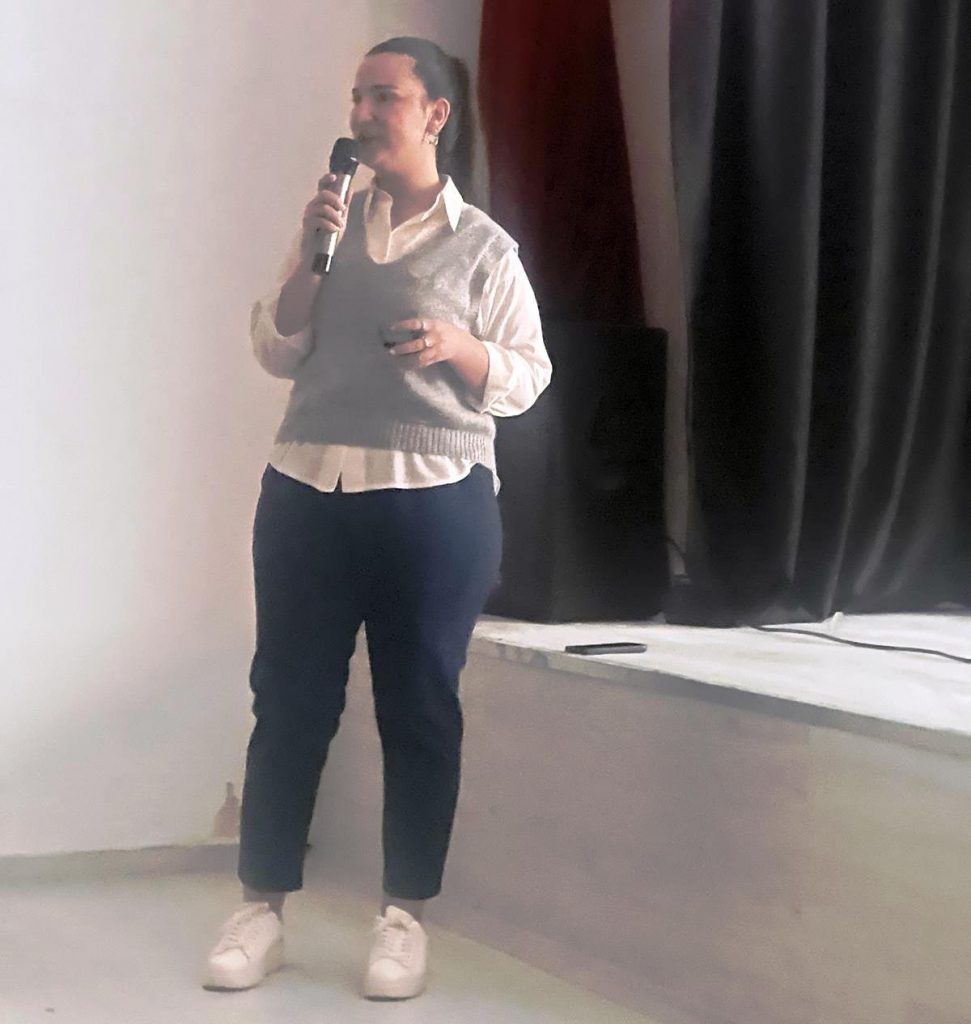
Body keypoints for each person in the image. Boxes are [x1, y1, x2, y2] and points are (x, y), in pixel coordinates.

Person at [202, 36, 552, 1001]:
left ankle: (403, 919)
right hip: (306, 490)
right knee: (288, 701)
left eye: (383, 97)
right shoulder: (329, 222)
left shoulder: (484, 247)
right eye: (356, 96)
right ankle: (260, 908)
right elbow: (277, 347)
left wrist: (458, 347)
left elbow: (527, 376)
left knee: (419, 707)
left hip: (434, 501)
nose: (360, 114)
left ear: (435, 114)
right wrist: (313, 259)